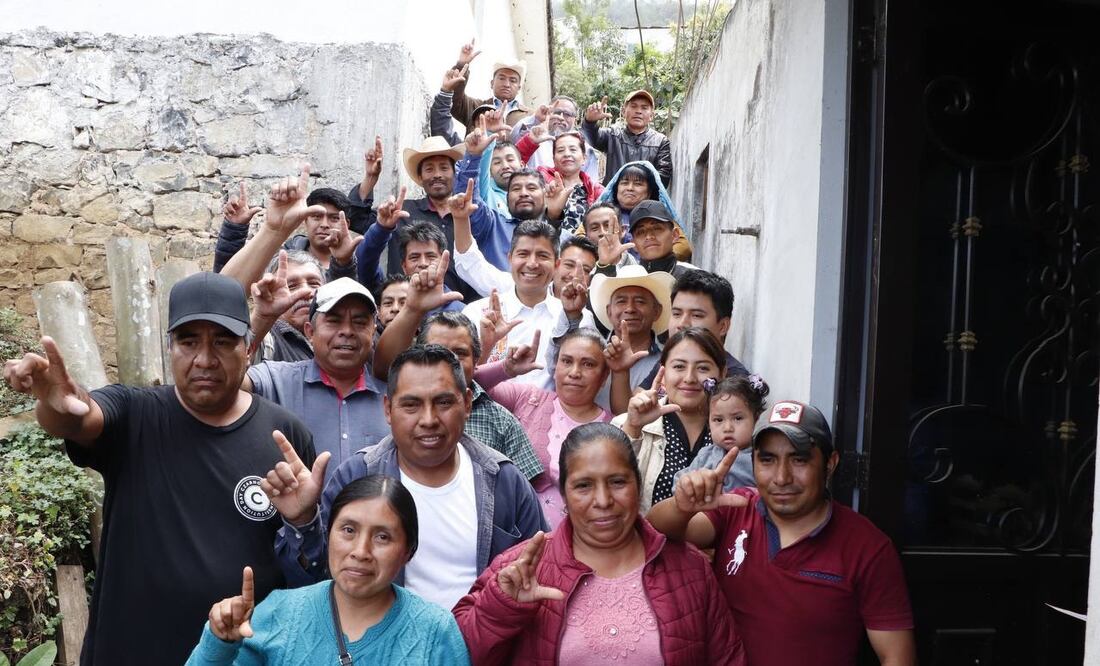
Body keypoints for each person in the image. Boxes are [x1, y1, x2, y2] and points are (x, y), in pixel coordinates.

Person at [2, 272, 316, 666]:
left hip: (241, 657)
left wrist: (305, 521)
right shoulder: (134, 415)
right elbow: (79, 417)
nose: (205, 359)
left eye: (222, 341)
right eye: (189, 342)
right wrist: (55, 401)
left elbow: (306, 563)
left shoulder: (285, 434)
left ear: (248, 348)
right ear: (170, 348)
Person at [268, 345, 546, 610]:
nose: (428, 419)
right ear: (388, 409)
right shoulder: (357, 476)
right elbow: (315, 583)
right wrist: (302, 522)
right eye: (411, 405)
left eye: (444, 402)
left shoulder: (504, 481)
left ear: (467, 403)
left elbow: (542, 574)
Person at [453, 423, 747, 665]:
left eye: (618, 482)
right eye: (584, 486)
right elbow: (455, 653)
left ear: (638, 485)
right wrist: (500, 608)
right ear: (564, 496)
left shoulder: (689, 569)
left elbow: (727, 658)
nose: (604, 501)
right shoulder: (520, 568)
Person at [647, 401, 917, 666]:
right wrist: (683, 507)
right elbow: (658, 529)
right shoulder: (738, 509)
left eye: (799, 459)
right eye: (767, 460)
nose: (781, 477)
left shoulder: (867, 547)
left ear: (830, 463)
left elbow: (896, 655)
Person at [186, 476, 470, 665]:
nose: (361, 551)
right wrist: (219, 641)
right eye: (348, 530)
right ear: (329, 534)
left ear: (407, 551)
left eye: (382, 537)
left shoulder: (435, 631)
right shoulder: (278, 613)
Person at [244, 276, 389, 482]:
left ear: (372, 332)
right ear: (310, 332)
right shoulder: (276, 380)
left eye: (359, 322)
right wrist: (261, 318)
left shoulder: (393, 398)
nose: (347, 331)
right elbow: (225, 385)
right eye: (333, 321)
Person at [473, 328, 613, 528]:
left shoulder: (614, 427)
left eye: (588, 364)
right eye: (566, 361)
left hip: (583, 546)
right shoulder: (528, 399)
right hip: (520, 538)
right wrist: (506, 368)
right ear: (555, 367)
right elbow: (469, 384)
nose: (574, 372)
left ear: (604, 375)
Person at [457, 220, 594, 388]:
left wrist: (572, 317)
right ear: (510, 258)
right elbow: (458, 379)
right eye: (523, 254)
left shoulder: (578, 317)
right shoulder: (477, 313)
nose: (532, 264)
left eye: (542, 256)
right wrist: (486, 346)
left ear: (556, 264)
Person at [414, 311, 543, 483]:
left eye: (459, 353)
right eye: (437, 351)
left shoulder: (502, 422)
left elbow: (524, 494)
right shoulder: (402, 411)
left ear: (476, 360)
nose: (449, 360)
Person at [350, 137, 480, 302]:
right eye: (429, 169)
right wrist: (370, 177)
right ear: (420, 177)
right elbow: (356, 219)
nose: (437, 175)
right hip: (404, 306)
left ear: (455, 173)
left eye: (444, 168)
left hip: (456, 314)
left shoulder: (469, 216)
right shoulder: (401, 211)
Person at [612, 327, 728, 512]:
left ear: (722, 374)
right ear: (663, 373)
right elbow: (609, 485)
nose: (689, 378)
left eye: (703, 368)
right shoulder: (624, 425)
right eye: (679, 366)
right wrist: (633, 428)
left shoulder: (737, 430)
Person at [454, 120, 550, 270]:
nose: (523, 194)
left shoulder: (558, 235)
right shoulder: (493, 224)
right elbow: (468, 196)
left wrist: (555, 217)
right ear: (507, 197)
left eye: (531, 188)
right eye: (516, 189)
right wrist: (474, 155)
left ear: (545, 194)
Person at [636, 269, 751, 393]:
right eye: (676, 313)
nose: (682, 324)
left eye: (696, 315)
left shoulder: (736, 380)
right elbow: (635, 401)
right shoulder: (671, 359)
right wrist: (621, 372)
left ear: (723, 326)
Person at [674, 374, 770, 492]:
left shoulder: (760, 457)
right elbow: (679, 482)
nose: (727, 428)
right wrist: (690, 484)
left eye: (738, 418)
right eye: (718, 420)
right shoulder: (705, 456)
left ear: (756, 419)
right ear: (709, 423)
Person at [355, 212, 464, 315]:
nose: (423, 263)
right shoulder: (391, 303)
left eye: (431, 256)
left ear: (444, 262)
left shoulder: (463, 313)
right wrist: (381, 228)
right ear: (404, 266)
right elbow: (365, 264)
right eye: (414, 257)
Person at [590, 161, 692, 262]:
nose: (629, 188)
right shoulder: (601, 213)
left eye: (638, 184)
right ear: (616, 188)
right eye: (624, 183)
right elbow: (580, 238)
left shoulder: (658, 215)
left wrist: (653, 260)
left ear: (649, 192)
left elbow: (683, 246)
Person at [582, 89, 672, 187]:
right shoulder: (612, 135)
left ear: (651, 115)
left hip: (646, 199)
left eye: (644, 108)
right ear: (624, 111)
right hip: (612, 199)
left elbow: (663, 175)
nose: (638, 111)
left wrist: (640, 190)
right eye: (633, 106)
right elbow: (591, 137)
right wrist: (589, 121)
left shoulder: (660, 141)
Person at [521, 131, 604, 235]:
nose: (567, 154)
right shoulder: (540, 177)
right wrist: (529, 142)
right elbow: (514, 168)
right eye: (560, 150)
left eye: (573, 150)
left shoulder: (596, 191)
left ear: (584, 158)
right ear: (554, 159)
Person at [596, 199, 698, 279]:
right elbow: (596, 304)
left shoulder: (693, 277)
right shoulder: (626, 278)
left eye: (657, 228)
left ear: (675, 235)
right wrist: (605, 266)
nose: (649, 236)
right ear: (633, 242)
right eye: (641, 232)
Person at [253, 250, 324, 363]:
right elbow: (237, 358)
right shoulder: (266, 340)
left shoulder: (342, 336)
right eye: (291, 286)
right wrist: (262, 318)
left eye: (314, 284)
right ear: (270, 293)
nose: (306, 291)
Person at [443, 39, 529, 128]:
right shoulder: (476, 107)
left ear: (519, 88)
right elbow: (454, 100)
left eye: (512, 80)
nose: (506, 84)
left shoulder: (530, 116)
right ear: (492, 83)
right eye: (502, 78)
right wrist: (462, 65)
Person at [511, 95, 600, 179]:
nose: (561, 117)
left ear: (575, 120)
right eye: (557, 112)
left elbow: (591, 185)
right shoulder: (535, 138)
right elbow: (515, 135)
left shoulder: (585, 149)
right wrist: (536, 118)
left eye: (567, 114)